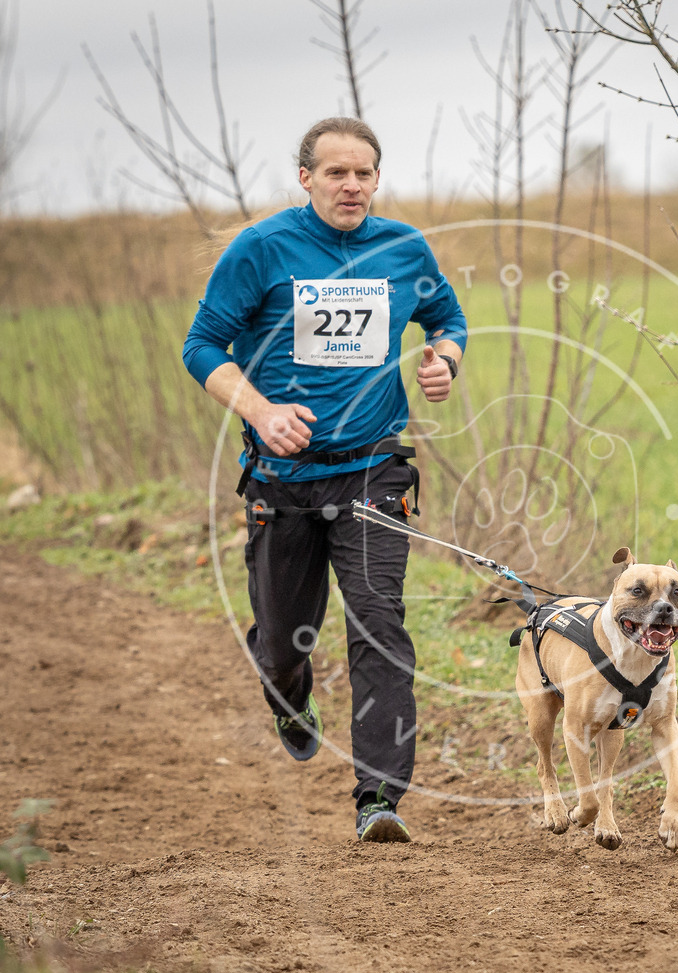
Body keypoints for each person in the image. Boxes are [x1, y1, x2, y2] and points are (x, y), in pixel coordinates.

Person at [182, 116, 467, 843]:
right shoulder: (262, 249)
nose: (351, 185)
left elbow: (447, 318)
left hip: (372, 472)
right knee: (282, 638)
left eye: (363, 173)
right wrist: (260, 409)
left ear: (377, 180)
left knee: (379, 627)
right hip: (281, 479)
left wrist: (445, 359)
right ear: (304, 177)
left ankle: (379, 797)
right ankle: (287, 691)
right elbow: (201, 345)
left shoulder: (403, 249)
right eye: (336, 172)